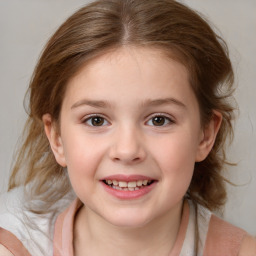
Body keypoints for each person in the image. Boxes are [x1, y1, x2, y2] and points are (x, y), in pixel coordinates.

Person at [0, 0, 255, 255]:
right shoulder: (13, 243)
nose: (127, 150)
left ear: (205, 135)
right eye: (96, 120)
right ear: (56, 138)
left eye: (159, 120)